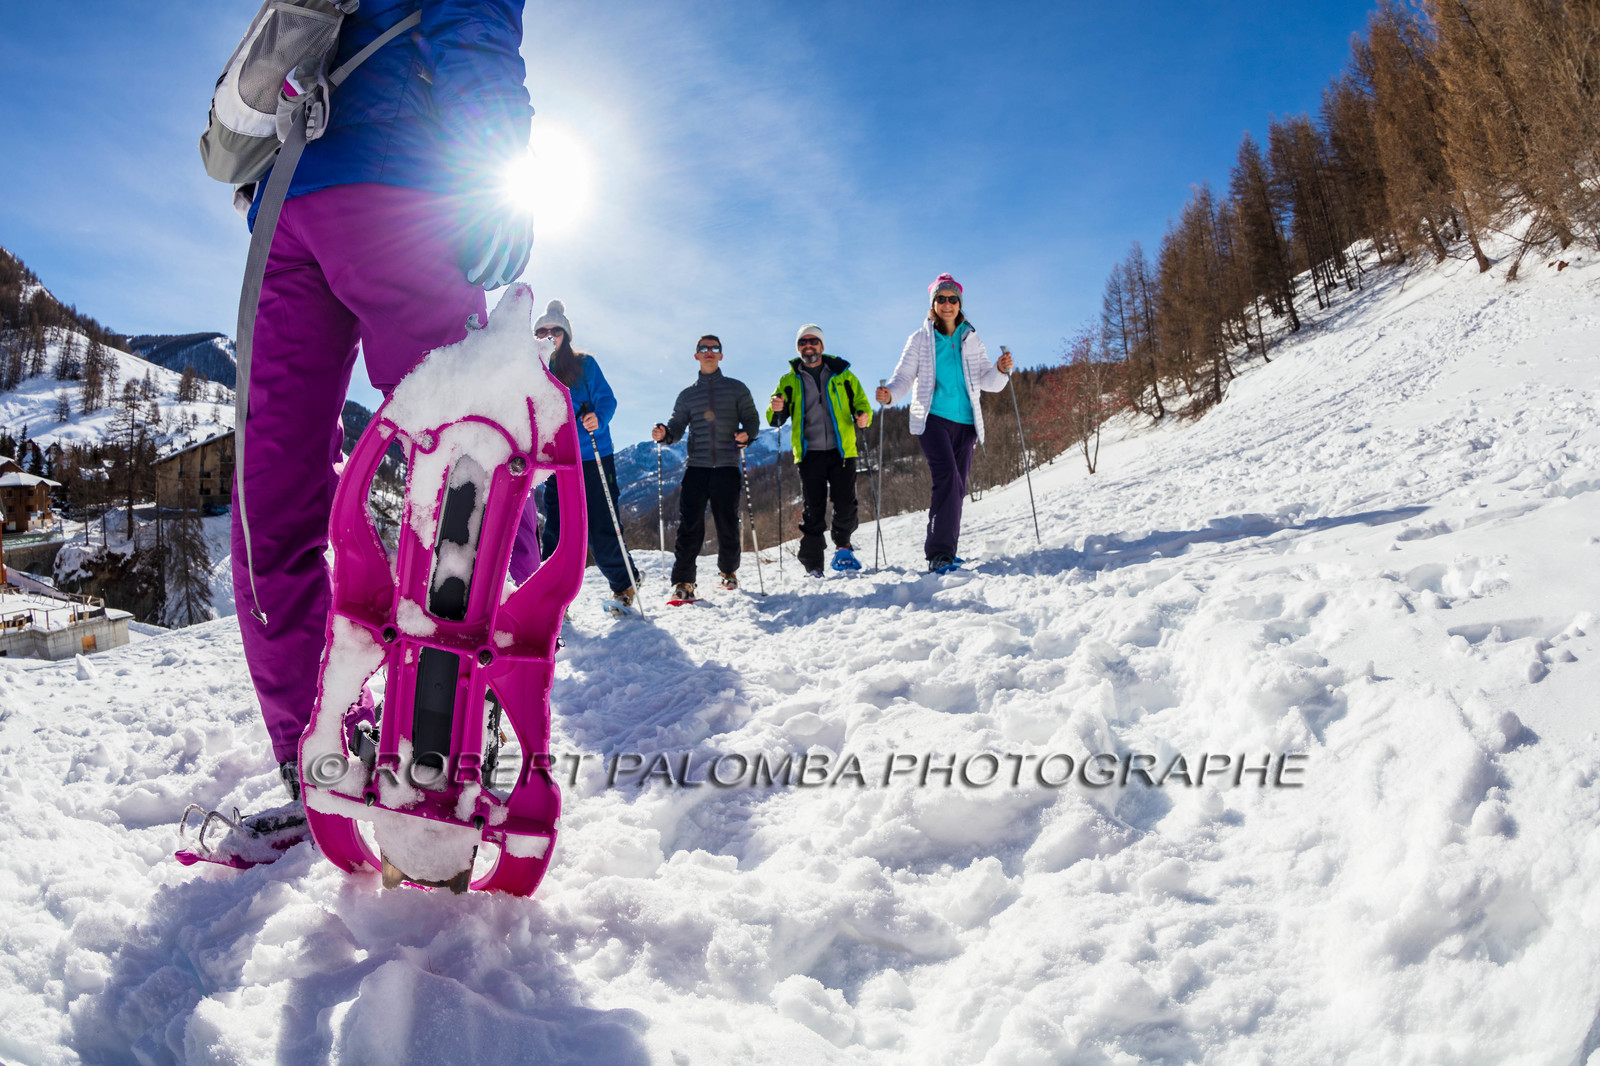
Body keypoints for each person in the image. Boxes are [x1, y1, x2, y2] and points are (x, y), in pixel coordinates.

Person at [230, 0, 533, 800]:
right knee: (474, 452)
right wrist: (498, 170)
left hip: (286, 202)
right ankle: (464, 734)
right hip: (399, 187)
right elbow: (473, 23)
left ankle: (315, 757)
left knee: (272, 494)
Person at [508, 300, 640, 614]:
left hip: (593, 456)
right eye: (542, 331)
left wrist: (598, 417)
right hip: (557, 462)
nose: (548, 335)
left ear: (565, 336)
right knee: (555, 529)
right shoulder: (532, 369)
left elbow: (607, 400)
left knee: (601, 525)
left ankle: (624, 584)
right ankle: (552, 595)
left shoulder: (584, 365)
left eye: (555, 331)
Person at [876, 273, 1014, 572]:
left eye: (953, 299)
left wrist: (1000, 370)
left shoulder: (971, 338)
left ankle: (946, 551)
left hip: (966, 423)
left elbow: (987, 382)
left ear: (959, 304)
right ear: (933, 303)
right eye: (941, 299)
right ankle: (939, 554)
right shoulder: (920, 339)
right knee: (948, 479)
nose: (947, 304)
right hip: (932, 419)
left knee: (957, 487)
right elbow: (903, 377)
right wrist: (890, 396)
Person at [650, 336, 761, 601]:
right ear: (696, 355)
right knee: (689, 525)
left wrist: (747, 434)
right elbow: (677, 426)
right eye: (703, 348)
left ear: (721, 355)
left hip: (727, 466)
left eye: (714, 348)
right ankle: (684, 581)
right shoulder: (687, 395)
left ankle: (728, 572)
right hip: (696, 468)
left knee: (727, 523)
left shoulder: (737, 389)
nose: (709, 352)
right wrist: (665, 434)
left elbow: (752, 419)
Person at [767, 324, 872, 576]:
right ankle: (813, 564)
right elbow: (774, 417)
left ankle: (843, 548)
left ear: (822, 346)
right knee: (813, 510)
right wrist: (776, 407)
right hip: (809, 454)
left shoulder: (843, 375)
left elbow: (862, 403)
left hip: (842, 451)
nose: (808, 345)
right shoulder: (788, 380)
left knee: (845, 504)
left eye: (813, 341)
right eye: (802, 342)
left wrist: (863, 416)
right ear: (798, 348)